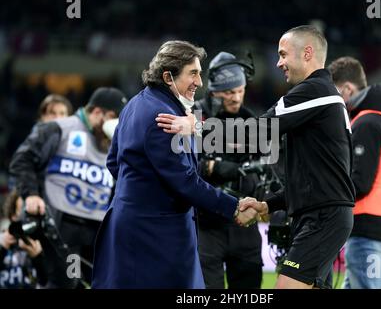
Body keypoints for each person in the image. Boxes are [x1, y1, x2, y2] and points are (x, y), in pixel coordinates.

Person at [156, 26, 356, 289]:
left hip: (321, 218)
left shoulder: (313, 91)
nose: (279, 62)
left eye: (283, 54)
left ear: (307, 53)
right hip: (320, 215)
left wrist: (196, 126)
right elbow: (311, 177)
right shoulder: (322, 97)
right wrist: (268, 204)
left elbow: (259, 132)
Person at [91, 41, 259, 289]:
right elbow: (186, 182)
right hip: (156, 234)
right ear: (168, 76)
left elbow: (114, 161)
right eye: (193, 73)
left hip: (132, 225)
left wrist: (142, 189)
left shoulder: (136, 104)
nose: (199, 82)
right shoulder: (165, 118)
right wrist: (233, 207)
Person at [9, 87, 127, 288]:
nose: (117, 125)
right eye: (113, 117)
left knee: (98, 283)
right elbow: (22, 159)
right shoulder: (60, 128)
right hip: (62, 224)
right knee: (64, 283)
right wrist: (31, 195)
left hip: (97, 228)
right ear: (97, 112)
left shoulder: (116, 142)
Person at [328, 57, 381, 289]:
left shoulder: (367, 122)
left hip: (368, 223)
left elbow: (360, 182)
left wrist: (328, 198)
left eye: (335, 94)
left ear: (348, 89)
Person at [193, 51, 263, 289]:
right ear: (213, 91)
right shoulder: (193, 117)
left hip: (244, 224)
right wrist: (216, 167)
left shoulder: (251, 120)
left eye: (240, 91)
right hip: (205, 225)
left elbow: (263, 169)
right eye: (229, 92)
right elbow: (183, 168)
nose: (236, 98)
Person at [0, 189, 47, 288]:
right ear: (13, 216)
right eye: (23, 210)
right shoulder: (3, 239)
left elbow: (58, 281)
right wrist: (2, 247)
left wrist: (38, 257)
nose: (28, 217)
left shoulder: (48, 243)